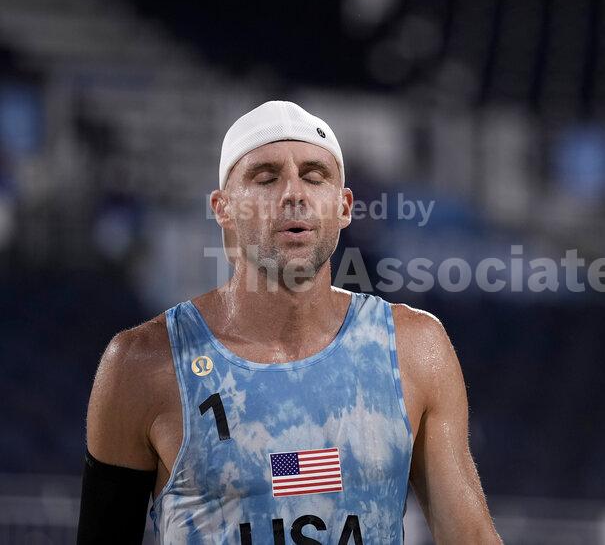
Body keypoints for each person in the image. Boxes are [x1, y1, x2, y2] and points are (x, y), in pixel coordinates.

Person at [78, 101, 502, 544]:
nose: (294, 194)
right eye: (266, 178)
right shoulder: (143, 364)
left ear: (344, 207)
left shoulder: (414, 350)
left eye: (314, 177)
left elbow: (471, 538)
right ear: (223, 208)